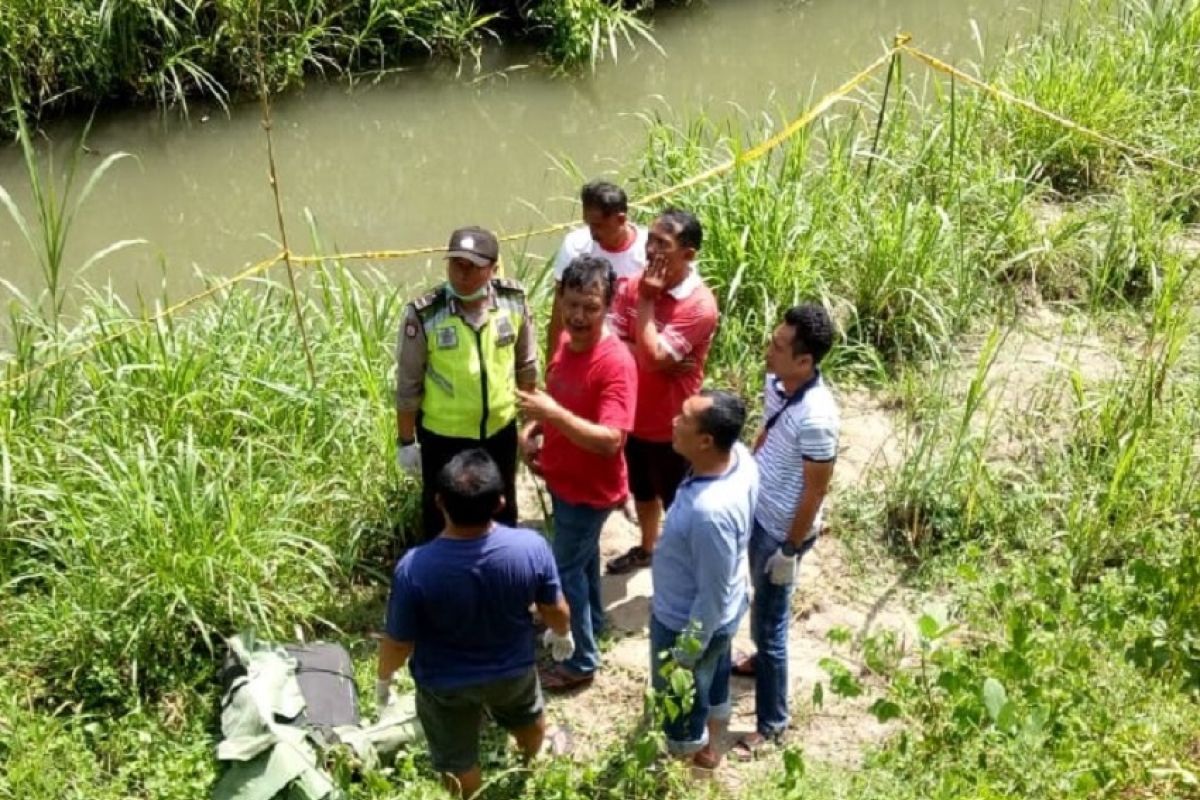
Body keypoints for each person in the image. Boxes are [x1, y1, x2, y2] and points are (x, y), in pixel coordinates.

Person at [376, 449, 574, 798]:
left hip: (445, 684)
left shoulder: (415, 568)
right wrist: (562, 635)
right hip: (513, 673)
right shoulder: (531, 547)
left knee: (455, 758)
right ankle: (529, 764)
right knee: (528, 719)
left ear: (439, 502)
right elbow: (554, 608)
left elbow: (398, 643)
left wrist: (383, 679)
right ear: (500, 502)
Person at [517, 255, 637, 693]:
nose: (578, 316)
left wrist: (551, 413)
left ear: (608, 306)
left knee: (565, 570)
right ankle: (594, 625)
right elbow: (559, 396)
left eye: (590, 307)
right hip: (564, 481)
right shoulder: (567, 343)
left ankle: (580, 661)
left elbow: (611, 439)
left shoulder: (615, 363)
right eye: (571, 305)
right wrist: (535, 426)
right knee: (583, 563)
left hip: (591, 490)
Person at [732, 303, 840, 759]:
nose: (768, 350)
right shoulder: (777, 384)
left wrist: (790, 550)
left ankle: (772, 724)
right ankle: (758, 661)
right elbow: (767, 433)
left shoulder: (817, 416)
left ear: (805, 362)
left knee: (773, 622)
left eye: (778, 347)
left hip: (782, 533)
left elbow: (815, 492)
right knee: (761, 599)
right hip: (760, 513)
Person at [394, 226, 538, 542]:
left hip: (499, 433)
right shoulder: (425, 314)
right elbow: (408, 385)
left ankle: (500, 578)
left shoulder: (513, 302)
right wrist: (406, 443)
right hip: (443, 438)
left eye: (473, 266)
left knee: (502, 513)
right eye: (456, 264)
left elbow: (526, 368)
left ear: (494, 268)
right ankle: (442, 584)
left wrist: (531, 426)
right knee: (441, 518)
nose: (462, 274)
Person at [606, 208, 719, 575]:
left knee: (680, 502)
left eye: (663, 244)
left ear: (688, 255)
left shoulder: (699, 305)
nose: (651, 250)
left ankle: (685, 569)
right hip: (631, 415)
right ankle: (647, 547)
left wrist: (646, 302)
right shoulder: (629, 285)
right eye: (649, 239)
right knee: (641, 490)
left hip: (673, 425)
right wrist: (650, 351)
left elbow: (652, 358)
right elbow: (610, 344)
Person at [650, 390, 758, 770]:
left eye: (683, 419)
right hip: (728, 608)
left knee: (683, 699)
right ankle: (711, 749)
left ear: (706, 441)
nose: (674, 423)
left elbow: (709, 596)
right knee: (712, 681)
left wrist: (684, 652)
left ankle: (686, 764)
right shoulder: (739, 458)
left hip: (688, 623)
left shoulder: (710, 513)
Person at [546, 180, 647, 360]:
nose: (592, 233)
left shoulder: (648, 250)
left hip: (633, 352)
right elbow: (560, 310)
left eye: (598, 225)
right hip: (584, 346)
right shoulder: (576, 245)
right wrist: (552, 365)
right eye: (588, 224)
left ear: (621, 219)